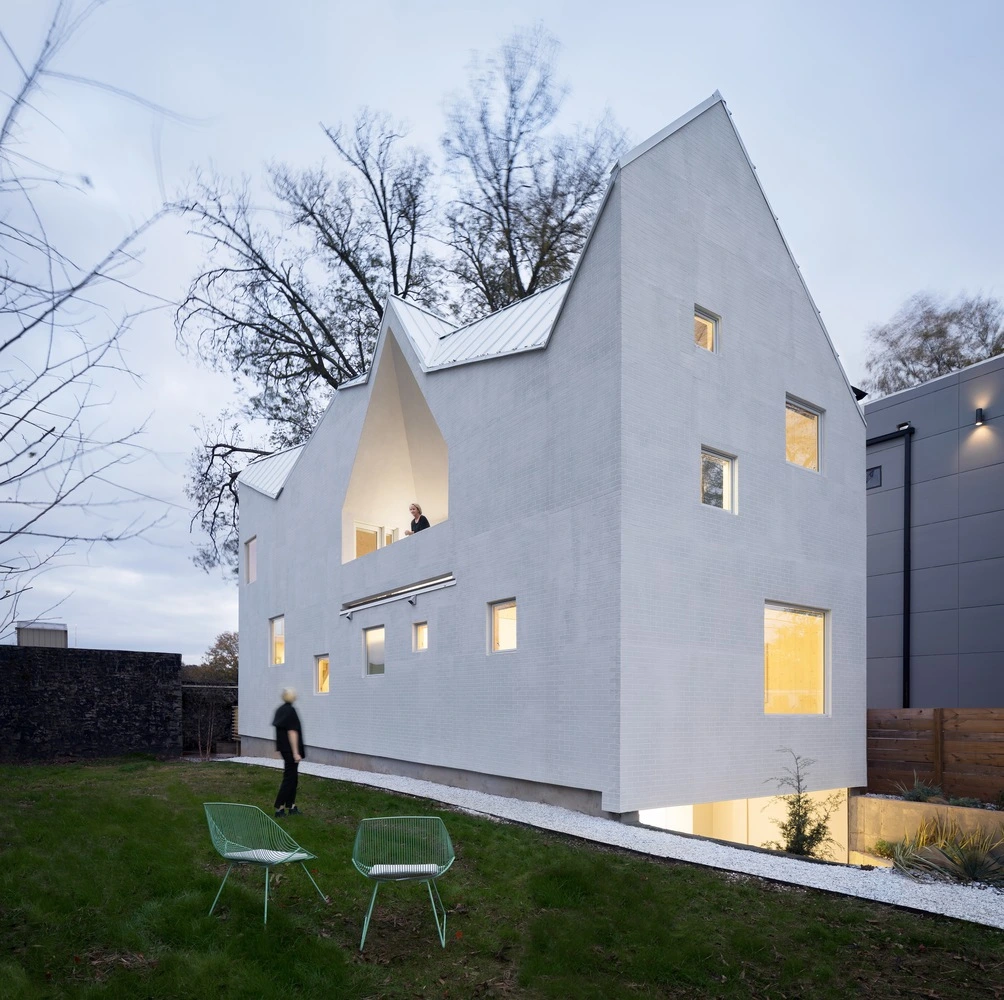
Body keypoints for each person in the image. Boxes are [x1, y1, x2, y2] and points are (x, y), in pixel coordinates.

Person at [273, 688, 304, 817]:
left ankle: (291, 805)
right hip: (291, 750)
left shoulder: (280, 710)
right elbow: (292, 732)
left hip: (284, 749)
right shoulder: (290, 711)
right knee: (289, 779)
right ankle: (279, 808)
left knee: (293, 778)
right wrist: (296, 752)